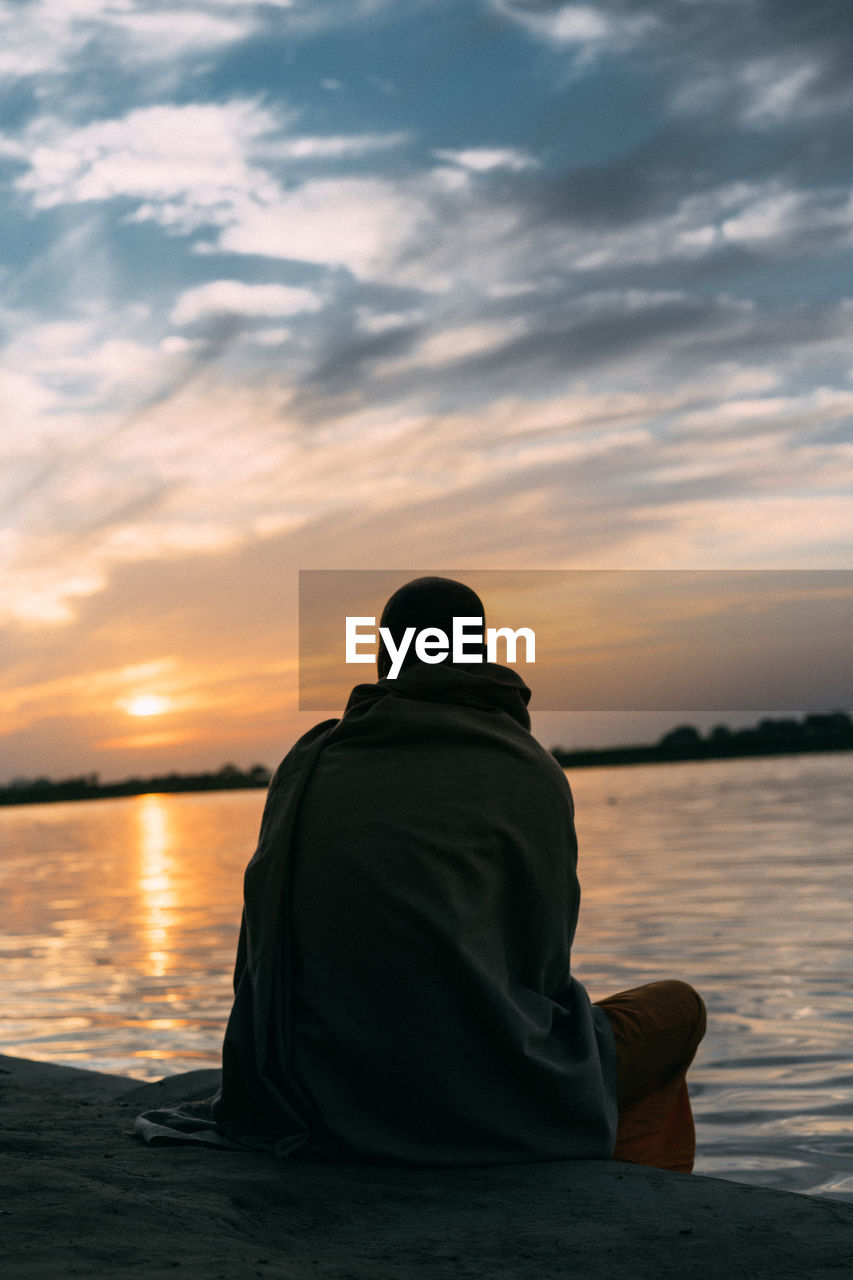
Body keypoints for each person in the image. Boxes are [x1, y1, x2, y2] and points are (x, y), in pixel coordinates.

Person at [137, 576, 705, 1170]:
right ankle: (617, 1191)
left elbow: (259, 962)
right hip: (467, 1101)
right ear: (481, 654)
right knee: (677, 1010)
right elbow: (540, 971)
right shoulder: (528, 771)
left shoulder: (307, 762)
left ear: (386, 660)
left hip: (311, 1098)